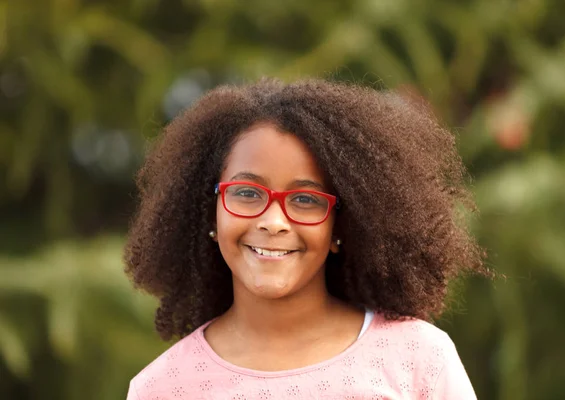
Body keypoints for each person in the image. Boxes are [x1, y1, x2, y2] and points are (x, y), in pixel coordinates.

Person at [124, 78, 487, 399]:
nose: (273, 221)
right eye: (248, 193)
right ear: (210, 211)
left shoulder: (418, 359)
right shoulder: (161, 389)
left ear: (340, 226)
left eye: (305, 200)